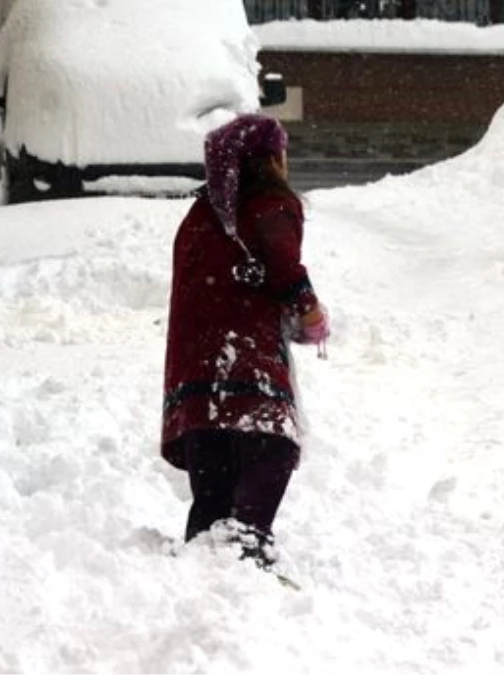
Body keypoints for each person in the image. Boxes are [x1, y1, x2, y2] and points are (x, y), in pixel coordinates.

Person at [161, 113, 329, 566]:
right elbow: (282, 265)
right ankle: (246, 549)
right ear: (269, 158)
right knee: (271, 448)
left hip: (196, 374)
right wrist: (311, 314)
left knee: (212, 493)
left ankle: (204, 570)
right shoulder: (271, 203)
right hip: (247, 361)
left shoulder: (198, 216)